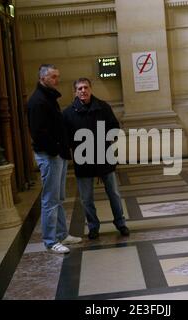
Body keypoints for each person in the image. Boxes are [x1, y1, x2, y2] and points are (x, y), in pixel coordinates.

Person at [63, 78, 130, 240]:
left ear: (91, 89)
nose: (83, 91)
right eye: (79, 88)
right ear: (75, 92)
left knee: (113, 193)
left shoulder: (103, 107)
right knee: (86, 198)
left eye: (85, 87)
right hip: (83, 159)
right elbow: (66, 136)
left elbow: (114, 127)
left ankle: (120, 223)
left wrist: (104, 140)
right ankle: (93, 226)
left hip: (104, 156)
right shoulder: (68, 113)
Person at [27, 64, 82, 253]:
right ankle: (50, 241)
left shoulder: (48, 98)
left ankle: (62, 234)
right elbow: (38, 133)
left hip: (57, 154)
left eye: (57, 76)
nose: (57, 80)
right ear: (43, 78)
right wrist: (57, 149)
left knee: (58, 197)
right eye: (53, 77)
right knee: (50, 199)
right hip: (50, 155)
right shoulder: (38, 101)